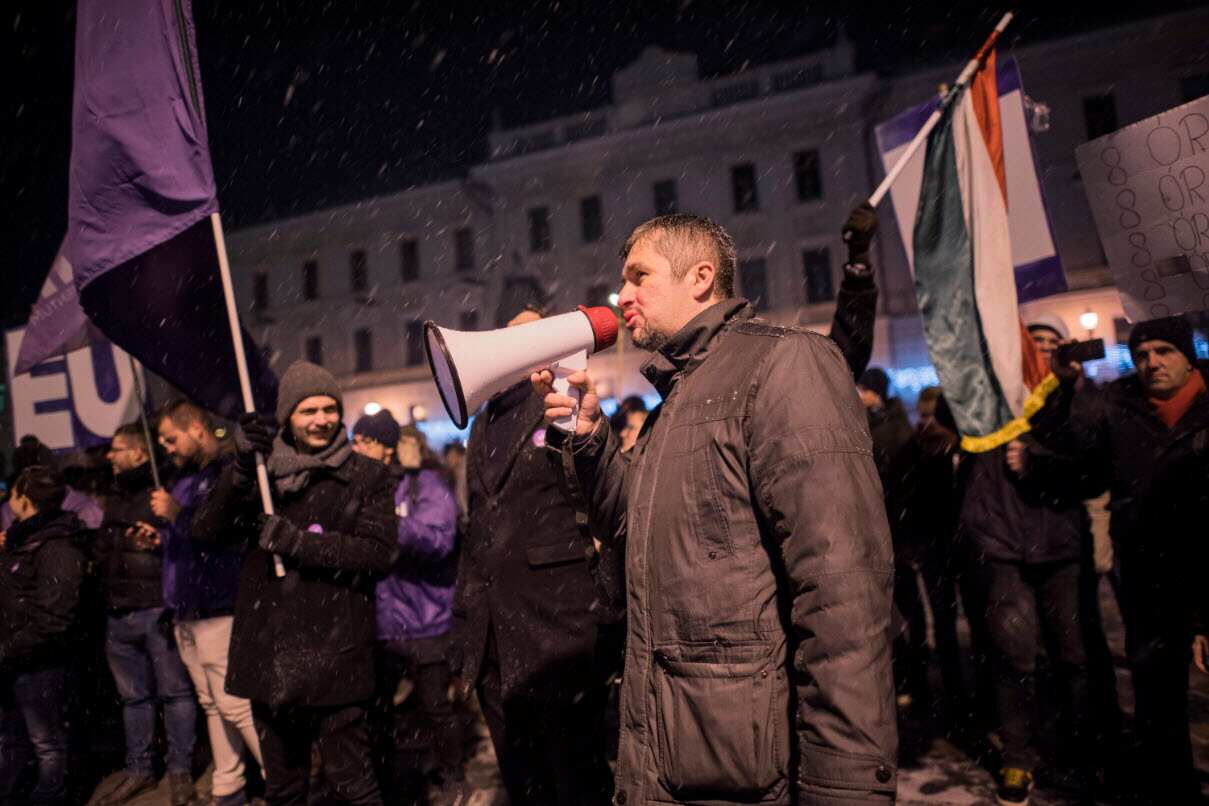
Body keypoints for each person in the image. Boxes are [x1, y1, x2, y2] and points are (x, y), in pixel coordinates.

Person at [534, 212, 897, 804]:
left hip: (740, 763)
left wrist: (846, 781)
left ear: (701, 277)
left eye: (638, 276)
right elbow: (632, 524)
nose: (621, 294)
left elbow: (843, 590)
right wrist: (588, 439)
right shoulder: (677, 396)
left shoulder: (786, 365)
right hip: (682, 749)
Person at [192, 361, 396, 805]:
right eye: (308, 411)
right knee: (283, 788)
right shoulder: (263, 475)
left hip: (336, 656)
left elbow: (378, 554)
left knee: (353, 784)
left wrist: (300, 544)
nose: (321, 419)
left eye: (329, 408)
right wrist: (242, 469)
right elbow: (205, 531)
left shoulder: (367, 475)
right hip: (271, 659)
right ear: (287, 417)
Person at [1033, 315, 1209, 804]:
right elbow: (1078, 461)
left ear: (1187, 355)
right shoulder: (1118, 406)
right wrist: (1065, 389)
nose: (1151, 362)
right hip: (1149, 577)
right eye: (1142, 353)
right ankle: (1173, 790)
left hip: (1204, 568)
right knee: (1157, 699)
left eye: (1163, 351)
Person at [452, 305, 614, 806]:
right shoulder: (483, 420)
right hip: (494, 636)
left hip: (556, 626)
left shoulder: (561, 399)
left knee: (575, 777)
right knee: (524, 782)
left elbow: (590, 486)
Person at [155, 400, 263, 806]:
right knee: (211, 704)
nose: (166, 447)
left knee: (234, 705)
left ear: (197, 429)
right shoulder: (186, 477)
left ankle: (282, 781)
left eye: (171, 438)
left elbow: (218, 532)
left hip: (219, 605)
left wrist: (177, 515)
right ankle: (228, 783)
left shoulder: (225, 475)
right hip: (189, 609)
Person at [350, 412, 463, 800]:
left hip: (427, 617)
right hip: (382, 620)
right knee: (378, 708)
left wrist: (390, 525)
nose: (357, 449)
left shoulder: (424, 483)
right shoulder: (357, 488)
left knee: (435, 707)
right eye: (356, 441)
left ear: (385, 448)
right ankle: (388, 778)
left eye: (364, 441)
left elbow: (439, 539)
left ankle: (453, 776)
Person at [94, 424, 197, 806]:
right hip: (118, 609)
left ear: (139, 453)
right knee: (134, 698)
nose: (109, 456)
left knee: (174, 693)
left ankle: (179, 771)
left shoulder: (163, 486)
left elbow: (181, 541)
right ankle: (139, 770)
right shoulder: (115, 494)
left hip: (154, 605)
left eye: (117, 449)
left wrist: (158, 532)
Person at [0, 465, 87, 805]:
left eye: (13, 493)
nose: (8, 500)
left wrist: (6, 650)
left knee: (47, 742)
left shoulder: (57, 546)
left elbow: (52, 617)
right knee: (12, 738)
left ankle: (50, 798)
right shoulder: (25, 538)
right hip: (15, 658)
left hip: (37, 662)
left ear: (25, 498)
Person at [1, 435, 103, 531]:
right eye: (26, 476)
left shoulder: (83, 509)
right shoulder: (9, 510)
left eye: (41, 474)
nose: (37, 482)